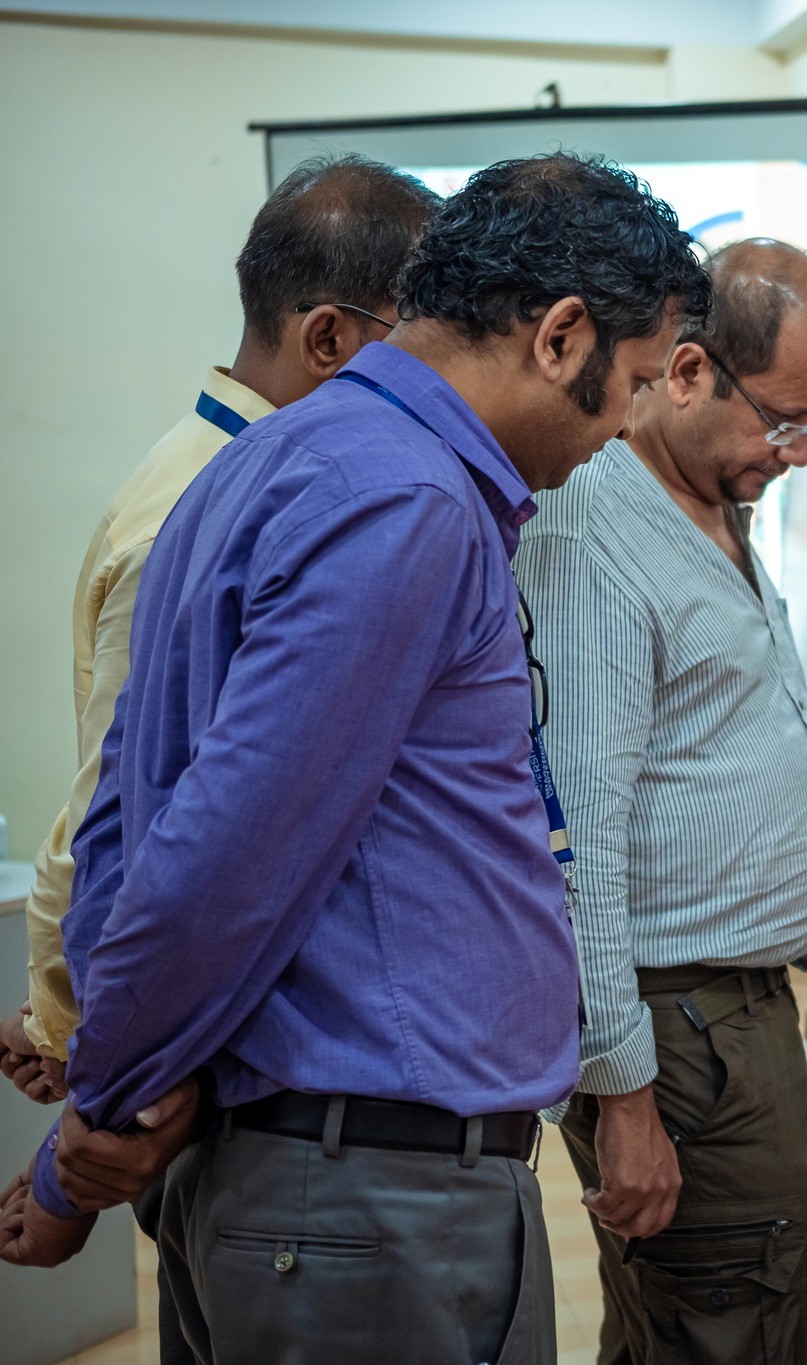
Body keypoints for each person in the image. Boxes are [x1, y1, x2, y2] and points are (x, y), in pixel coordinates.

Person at [0, 154, 713, 1365]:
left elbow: (126, 817)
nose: (626, 426)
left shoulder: (259, 462)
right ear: (559, 335)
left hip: (322, 1192)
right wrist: (91, 1138)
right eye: (632, 384)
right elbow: (222, 858)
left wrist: (109, 1079)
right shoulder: (410, 502)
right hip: (371, 1206)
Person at [0, 156, 439, 1359]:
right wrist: (79, 1040)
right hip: (217, 1086)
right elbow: (127, 816)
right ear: (335, 340)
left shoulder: (232, 477)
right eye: (430, 344)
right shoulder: (210, 508)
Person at [515, 238, 807, 1364]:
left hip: (727, 1013)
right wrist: (623, 1094)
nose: (797, 453)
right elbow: (576, 841)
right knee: (726, 1321)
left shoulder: (709, 497)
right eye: (786, 419)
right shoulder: (594, 531)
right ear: (691, 369)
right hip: (673, 1026)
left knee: (700, 1320)